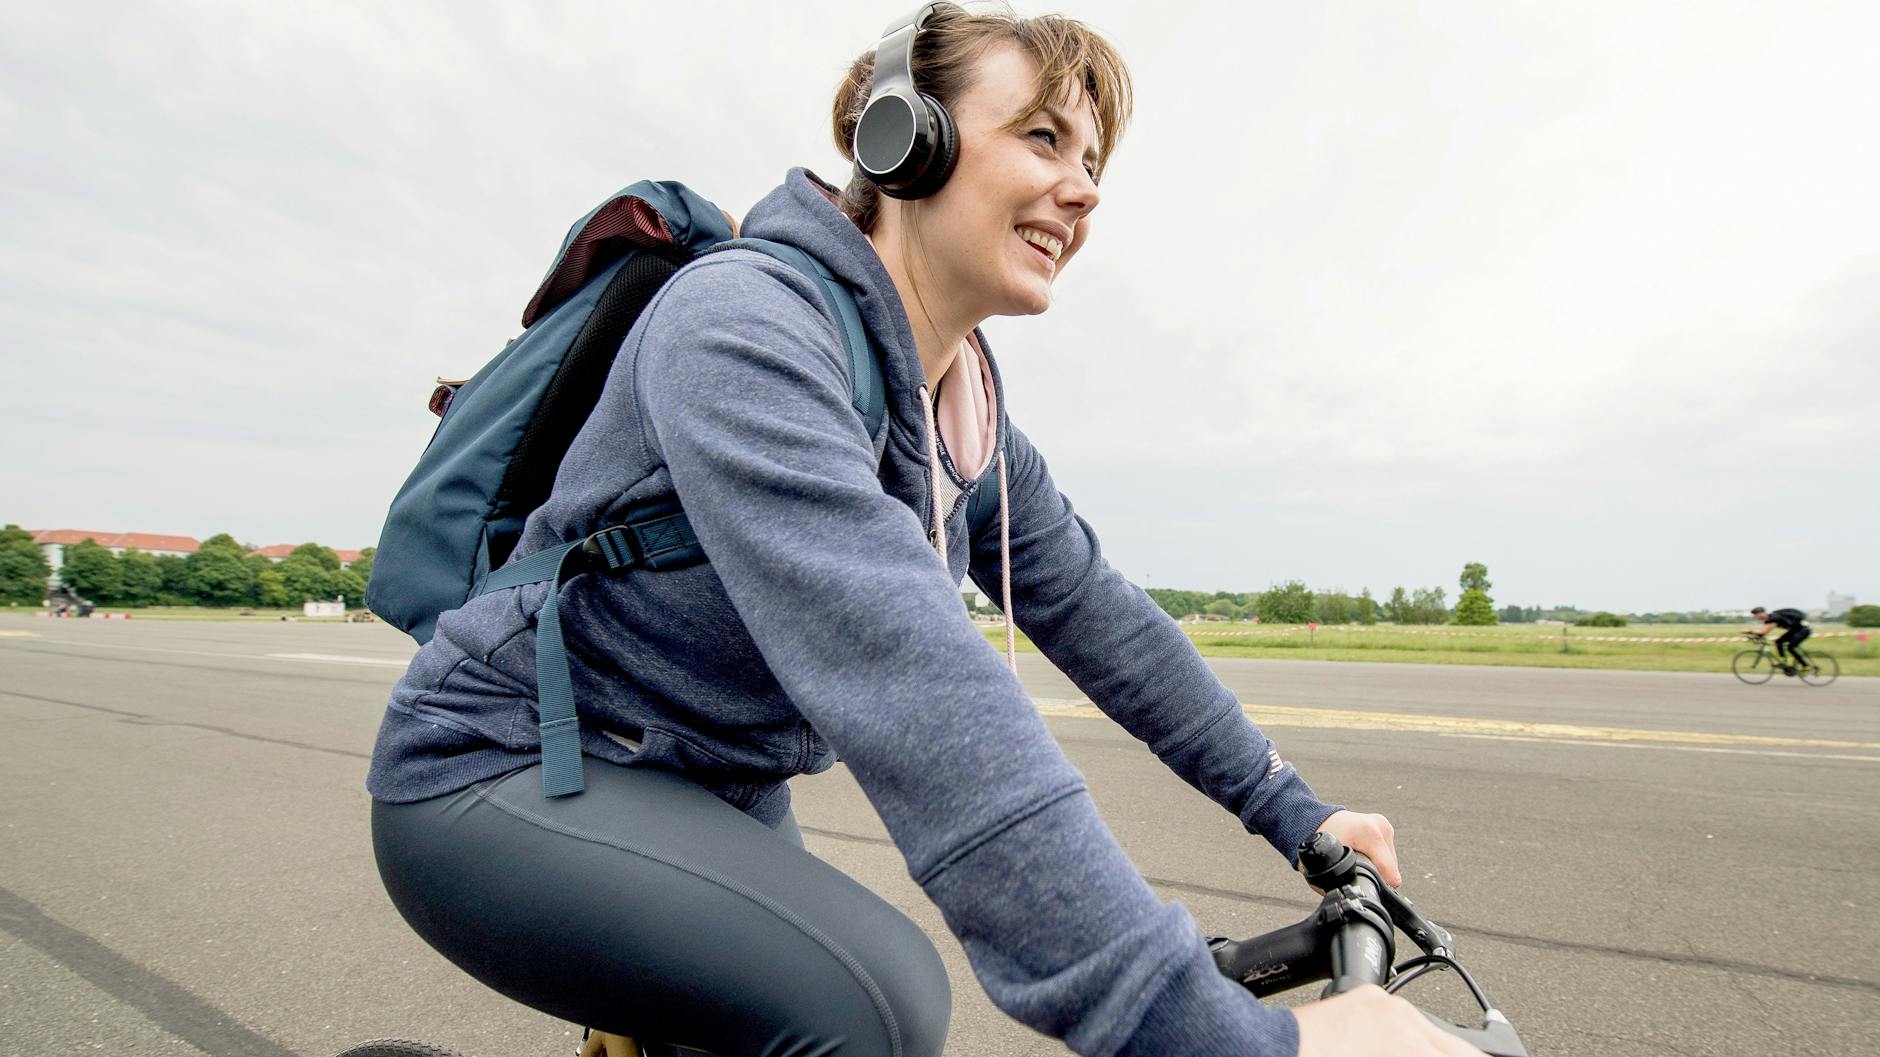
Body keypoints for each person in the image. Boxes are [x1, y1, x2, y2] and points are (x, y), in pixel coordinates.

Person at [366, 6, 1480, 1057]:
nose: (1083, 190)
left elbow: (1110, 625)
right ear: (906, 143)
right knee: (877, 1003)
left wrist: (1299, 812)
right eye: (1042, 137)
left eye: (1093, 162)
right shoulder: (741, 329)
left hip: (707, 784)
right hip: (511, 765)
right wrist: (1223, 1038)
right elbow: (913, 678)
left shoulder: (962, 416)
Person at [1750, 606, 1812, 673]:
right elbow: (1762, 633)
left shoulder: (1774, 617)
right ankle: (1784, 662)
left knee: (1791, 647)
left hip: (1803, 630)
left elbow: (1764, 631)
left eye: (1756, 615)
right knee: (1778, 642)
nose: (1755, 617)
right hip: (1794, 630)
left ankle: (1806, 665)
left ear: (1761, 614)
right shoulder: (1768, 620)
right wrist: (1755, 636)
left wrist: (1750, 631)